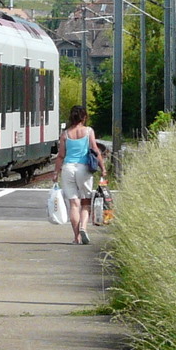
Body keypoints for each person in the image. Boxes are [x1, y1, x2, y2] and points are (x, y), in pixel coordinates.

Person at [52, 105, 107, 245]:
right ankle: (83, 227)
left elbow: (61, 155)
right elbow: (95, 150)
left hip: (68, 168)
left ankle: (76, 237)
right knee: (85, 202)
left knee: (74, 204)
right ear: (84, 117)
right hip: (83, 169)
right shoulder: (88, 131)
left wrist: (55, 173)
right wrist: (103, 168)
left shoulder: (65, 134)